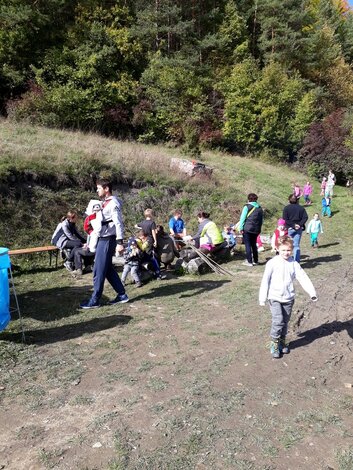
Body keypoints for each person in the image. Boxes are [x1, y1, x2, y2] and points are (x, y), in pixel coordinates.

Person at [259, 236, 318, 359]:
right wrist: (262, 297)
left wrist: (312, 293)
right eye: (283, 250)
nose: (286, 253)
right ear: (277, 249)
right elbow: (265, 280)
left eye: (288, 250)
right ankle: (274, 343)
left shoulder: (294, 264)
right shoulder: (272, 263)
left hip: (288, 298)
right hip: (274, 297)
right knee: (278, 320)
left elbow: (303, 278)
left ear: (292, 250)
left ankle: (282, 341)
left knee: (285, 322)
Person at [80, 179, 128, 309]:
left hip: (108, 240)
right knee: (107, 269)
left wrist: (120, 242)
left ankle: (95, 300)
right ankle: (122, 295)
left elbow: (118, 223)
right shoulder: (103, 203)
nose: (97, 190)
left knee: (98, 269)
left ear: (106, 189)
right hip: (103, 238)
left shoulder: (113, 203)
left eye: (99, 188)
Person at [238, 194, 264, 266]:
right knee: (254, 245)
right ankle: (256, 260)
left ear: (248, 199)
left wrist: (241, 228)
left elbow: (242, 218)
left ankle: (249, 261)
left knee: (248, 245)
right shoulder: (259, 208)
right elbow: (261, 220)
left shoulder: (247, 207)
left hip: (247, 228)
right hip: (256, 229)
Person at [282, 194, 308, 263]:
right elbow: (305, 217)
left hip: (289, 228)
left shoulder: (286, 208)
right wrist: (299, 224)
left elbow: (285, 219)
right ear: (297, 200)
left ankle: (287, 260)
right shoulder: (301, 208)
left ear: (289, 200)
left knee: (288, 244)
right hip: (298, 229)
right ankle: (296, 261)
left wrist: (293, 225)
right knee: (296, 245)